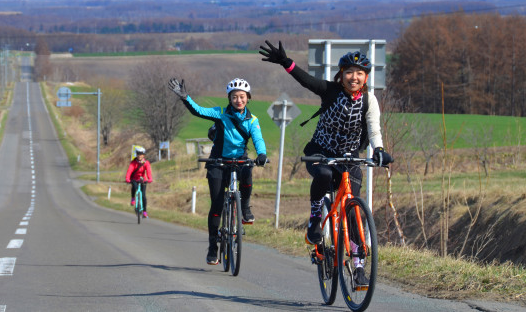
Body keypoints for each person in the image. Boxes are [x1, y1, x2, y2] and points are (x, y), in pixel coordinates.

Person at [259, 41, 392, 285]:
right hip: (320, 151)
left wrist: (380, 150)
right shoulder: (330, 90)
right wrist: (285, 62)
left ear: (366, 77)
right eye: (349, 72)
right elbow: (307, 80)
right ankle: (314, 220)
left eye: (360, 73)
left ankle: (359, 265)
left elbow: (373, 129)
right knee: (321, 176)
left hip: (349, 157)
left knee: (353, 212)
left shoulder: (369, 101)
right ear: (341, 75)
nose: (354, 77)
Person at [168, 77, 268, 266]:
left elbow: (258, 138)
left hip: (239, 160)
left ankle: (245, 207)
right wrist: (185, 98)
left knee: (248, 170)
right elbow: (198, 110)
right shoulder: (220, 113)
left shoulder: (252, 120)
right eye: (234, 97)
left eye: (242, 97)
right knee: (217, 204)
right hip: (217, 161)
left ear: (248, 98)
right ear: (229, 99)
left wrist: (262, 153)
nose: (238, 100)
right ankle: (213, 247)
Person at [125, 145, 152, 218]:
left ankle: (144, 212)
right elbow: (129, 171)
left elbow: (148, 171)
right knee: (134, 186)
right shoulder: (133, 163)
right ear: (136, 155)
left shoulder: (146, 163)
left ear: (143, 155)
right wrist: (127, 178)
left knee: (143, 196)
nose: (139, 156)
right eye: (138, 154)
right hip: (134, 179)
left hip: (143, 179)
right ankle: (133, 198)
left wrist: (150, 178)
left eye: (141, 154)